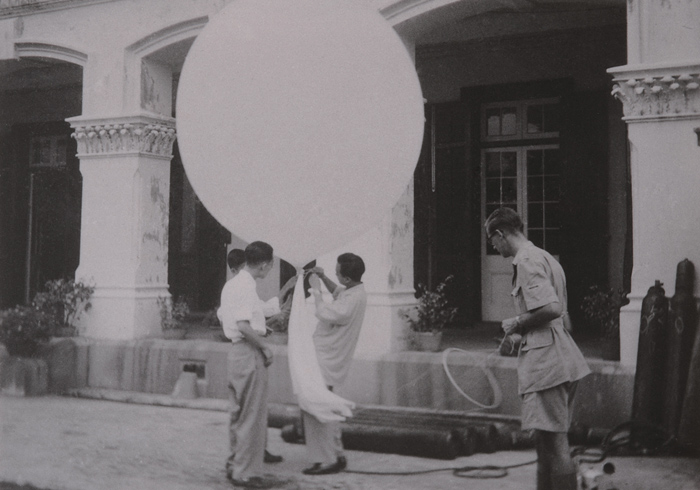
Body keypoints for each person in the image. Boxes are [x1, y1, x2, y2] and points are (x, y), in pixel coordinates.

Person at [485, 207, 590, 490]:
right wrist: (520, 336)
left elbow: (552, 308)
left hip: (548, 364)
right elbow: (559, 318)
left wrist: (517, 322)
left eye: (492, 241)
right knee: (545, 440)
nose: (493, 247)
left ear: (500, 233)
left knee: (555, 443)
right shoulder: (544, 257)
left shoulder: (528, 261)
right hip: (556, 354)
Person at [217, 241, 280, 489]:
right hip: (248, 352)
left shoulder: (233, 284)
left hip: (236, 353)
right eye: (271, 265)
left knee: (239, 413)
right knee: (251, 415)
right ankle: (246, 473)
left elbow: (242, 321)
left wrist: (262, 329)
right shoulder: (246, 285)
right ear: (264, 265)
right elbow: (243, 325)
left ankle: (235, 463)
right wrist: (263, 345)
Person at [302, 253, 367, 476]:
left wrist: (315, 288)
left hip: (328, 357)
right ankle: (335, 454)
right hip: (326, 355)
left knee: (319, 407)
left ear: (347, 278)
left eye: (338, 273)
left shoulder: (352, 300)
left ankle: (327, 459)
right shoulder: (355, 291)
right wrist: (325, 277)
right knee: (326, 405)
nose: (336, 275)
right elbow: (339, 292)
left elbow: (324, 312)